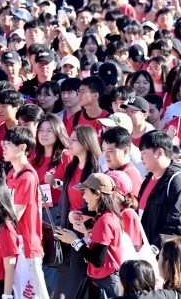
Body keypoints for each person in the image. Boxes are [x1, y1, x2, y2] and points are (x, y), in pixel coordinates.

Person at [55, 173, 123, 299]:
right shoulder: (106, 217)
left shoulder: (105, 220)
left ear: (97, 194)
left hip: (107, 282)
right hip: (102, 280)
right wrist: (85, 232)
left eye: (85, 192)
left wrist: (74, 241)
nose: (84, 197)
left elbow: (97, 260)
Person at [55, 125, 102, 299]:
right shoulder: (71, 166)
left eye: (74, 139)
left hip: (86, 230)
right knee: (67, 276)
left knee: (78, 278)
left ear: (85, 142)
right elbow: (66, 199)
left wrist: (82, 219)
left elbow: (98, 203)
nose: (69, 142)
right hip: (69, 227)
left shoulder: (95, 168)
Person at [2, 127, 48, 299]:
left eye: (8, 144)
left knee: (35, 293)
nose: (4, 148)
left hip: (28, 244)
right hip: (16, 241)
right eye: (3, 143)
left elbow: (15, 213)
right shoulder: (12, 173)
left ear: (22, 148)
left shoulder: (28, 176)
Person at [138, 131, 181, 248]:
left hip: (165, 256)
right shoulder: (148, 180)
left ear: (159, 152)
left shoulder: (176, 182)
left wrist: (156, 249)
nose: (140, 158)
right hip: (146, 251)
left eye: (144, 153)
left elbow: (178, 224)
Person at [101, 126, 143, 197]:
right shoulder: (110, 171)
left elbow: (133, 206)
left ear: (125, 151)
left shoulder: (130, 175)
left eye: (110, 151)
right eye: (103, 150)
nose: (105, 155)